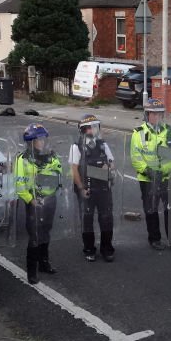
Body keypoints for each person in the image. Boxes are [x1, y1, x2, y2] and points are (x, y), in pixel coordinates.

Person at [130, 98, 171, 253]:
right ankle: (154, 239)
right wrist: (148, 170)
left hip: (168, 177)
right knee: (151, 209)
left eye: (159, 114)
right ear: (147, 115)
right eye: (153, 114)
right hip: (148, 178)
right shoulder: (138, 133)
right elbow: (136, 157)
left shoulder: (170, 131)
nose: (156, 117)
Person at [14, 123, 63, 284]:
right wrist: (31, 200)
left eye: (42, 139)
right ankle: (32, 271)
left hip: (50, 199)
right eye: (38, 140)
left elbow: (59, 172)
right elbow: (19, 185)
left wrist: (55, 180)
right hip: (34, 202)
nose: (41, 142)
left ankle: (44, 263)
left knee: (46, 231)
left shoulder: (51, 155)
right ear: (31, 142)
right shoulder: (23, 159)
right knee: (34, 235)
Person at [69, 114, 115, 263]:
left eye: (94, 127)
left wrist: (109, 167)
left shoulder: (103, 144)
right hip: (87, 189)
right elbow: (74, 170)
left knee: (106, 219)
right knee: (87, 220)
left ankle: (107, 249)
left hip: (103, 188)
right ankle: (89, 249)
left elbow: (111, 163)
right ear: (82, 130)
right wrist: (81, 188)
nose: (92, 130)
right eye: (88, 128)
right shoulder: (76, 147)